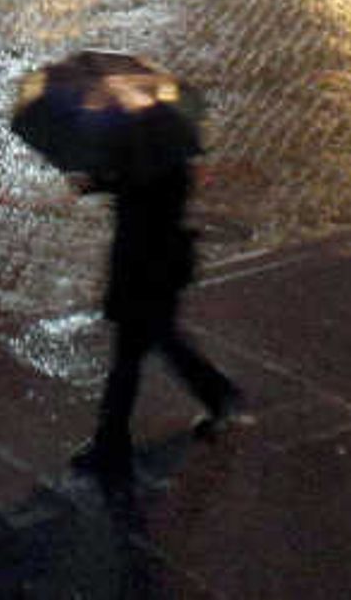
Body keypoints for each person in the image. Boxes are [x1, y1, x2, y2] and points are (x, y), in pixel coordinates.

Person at [72, 149, 238, 484]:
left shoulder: (154, 156)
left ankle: (111, 440)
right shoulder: (159, 146)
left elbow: (143, 188)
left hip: (147, 265)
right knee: (157, 341)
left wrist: (102, 180)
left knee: (131, 353)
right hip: (153, 262)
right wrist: (103, 181)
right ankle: (215, 392)